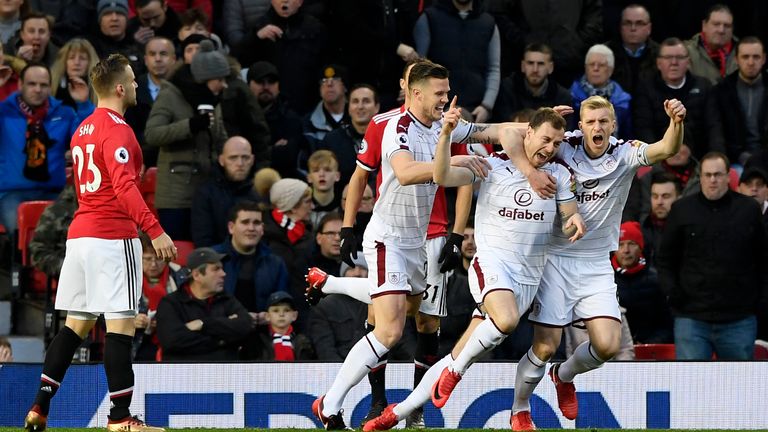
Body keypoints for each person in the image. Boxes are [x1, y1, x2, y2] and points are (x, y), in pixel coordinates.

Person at [310, 59, 507, 430]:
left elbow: (490, 130)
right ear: (414, 92)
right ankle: (330, 404)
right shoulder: (393, 126)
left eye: (447, 92)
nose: (446, 99)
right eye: (440, 93)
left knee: (412, 307)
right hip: (388, 239)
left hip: (417, 243)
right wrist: (349, 226)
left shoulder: (442, 126)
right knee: (389, 330)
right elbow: (401, 172)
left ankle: (331, 284)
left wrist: (537, 127)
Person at [361, 107, 586, 431]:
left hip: (529, 277)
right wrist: (445, 137)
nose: (550, 148)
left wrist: (573, 220)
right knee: (506, 321)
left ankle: (395, 414)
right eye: (546, 139)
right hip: (492, 265)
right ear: (528, 134)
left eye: (557, 143)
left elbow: (567, 214)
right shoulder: (491, 166)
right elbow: (441, 176)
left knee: (461, 352)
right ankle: (466, 378)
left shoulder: (560, 175)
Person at [503, 95, 685, 430]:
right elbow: (513, 140)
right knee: (545, 346)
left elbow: (665, 149)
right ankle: (519, 408)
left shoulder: (624, 152)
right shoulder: (565, 146)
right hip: (555, 258)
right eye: (590, 122)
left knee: (607, 345)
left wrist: (676, 122)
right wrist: (538, 128)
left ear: (613, 124)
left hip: (597, 262)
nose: (597, 127)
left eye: (603, 121)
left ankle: (564, 375)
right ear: (581, 126)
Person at [23, 53, 176, 432]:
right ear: (121, 88)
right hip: (111, 237)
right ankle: (121, 419)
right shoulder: (119, 130)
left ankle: (39, 408)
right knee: (121, 328)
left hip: (80, 238)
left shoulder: (82, 129)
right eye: (135, 81)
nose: (139, 86)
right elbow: (124, 186)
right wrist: (153, 230)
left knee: (75, 326)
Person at [657, 152, 768, 360]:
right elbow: (665, 259)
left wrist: (760, 302)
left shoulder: (749, 210)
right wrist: (673, 293)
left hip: (739, 318)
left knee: (740, 387)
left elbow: (762, 259)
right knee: (691, 386)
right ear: (700, 177)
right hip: (691, 318)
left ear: (729, 176)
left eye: (718, 174)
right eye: (707, 175)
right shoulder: (681, 210)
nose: (712, 180)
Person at [0, 63, 82, 233]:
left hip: (54, 193)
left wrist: (82, 105)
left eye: (43, 85)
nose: (38, 89)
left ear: (50, 87)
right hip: (12, 194)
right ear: (20, 85)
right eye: (32, 84)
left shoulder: (64, 113)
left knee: (73, 232)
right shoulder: (4, 112)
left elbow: (87, 140)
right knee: (19, 233)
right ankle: (19, 260)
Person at [155, 247, 252, 361]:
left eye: (222, 269)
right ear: (196, 275)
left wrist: (203, 324)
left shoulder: (226, 299)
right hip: (183, 372)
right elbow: (172, 340)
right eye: (216, 269)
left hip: (224, 372)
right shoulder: (171, 303)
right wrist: (222, 340)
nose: (223, 274)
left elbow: (245, 326)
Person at [414, 0, 500, 123]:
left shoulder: (488, 22)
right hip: (437, 109)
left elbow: (493, 68)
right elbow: (419, 65)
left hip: (476, 111)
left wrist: (487, 106)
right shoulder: (429, 17)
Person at [212, 200, 289, 330]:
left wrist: (271, 315)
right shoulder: (212, 259)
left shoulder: (276, 263)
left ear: (262, 229)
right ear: (231, 227)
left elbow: (284, 304)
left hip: (262, 334)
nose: (251, 228)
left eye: (256, 223)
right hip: (222, 332)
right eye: (245, 222)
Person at [633, 37, 711, 159]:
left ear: (688, 62)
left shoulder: (704, 86)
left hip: (697, 157)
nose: (674, 62)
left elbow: (713, 127)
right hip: (658, 157)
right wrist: (662, 152)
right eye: (668, 58)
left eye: (679, 57)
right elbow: (643, 127)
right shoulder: (646, 87)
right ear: (659, 63)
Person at [707, 36, 768, 167]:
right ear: (736, 59)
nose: (751, 62)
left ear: (763, 59)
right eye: (745, 57)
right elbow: (717, 132)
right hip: (735, 160)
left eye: (756, 57)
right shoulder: (721, 90)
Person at [191, 136, 259, 247]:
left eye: (245, 158)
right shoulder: (206, 193)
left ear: (252, 160)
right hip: (219, 259)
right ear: (221, 160)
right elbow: (203, 239)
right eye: (233, 158)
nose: (240, 163)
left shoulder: (261, 192)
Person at [611, 221, 672, 344]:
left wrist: (650, 343)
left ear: (640, 247)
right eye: (620, 245)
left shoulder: (655, 281)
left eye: (631, 244)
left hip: (649, 352)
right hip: (613, 350)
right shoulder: (604, 279)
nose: (626, 250)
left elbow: (667, 325)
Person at [246, 60, 307, 179]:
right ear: (248, 85)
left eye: (271, 82)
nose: (266, 87)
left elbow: (289, 157)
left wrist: (257, 152)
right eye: (260, 82)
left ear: (278, 86)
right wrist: (274, 150)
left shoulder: (291, 119)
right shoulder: (241, 116)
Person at [124, 36, 176, 167]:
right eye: (153, 54)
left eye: (163, 54)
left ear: (174, 59)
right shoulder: (131, 90)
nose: (158, 59)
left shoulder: (185, 90)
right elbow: (127, 131)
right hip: (139, 160)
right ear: (146, 60)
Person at [133, 232, 185, 361]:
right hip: (137, 345)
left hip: (175, 342)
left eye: (158, 258)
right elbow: (104, 316)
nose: (153, 265)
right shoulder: (127, 279)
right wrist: (130, 321)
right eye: (147, 258)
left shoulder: (181, 277)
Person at [318, 83, 380, 187]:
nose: (360, 106)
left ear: (377, 107)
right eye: (355, 101)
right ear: (349, 108)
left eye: (366, 101)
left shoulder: (388, 137)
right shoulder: (331, 140)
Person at [493, 43, 571, 123]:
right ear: (523, 66)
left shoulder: (562, 97)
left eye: (540, 64)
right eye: (530, 63)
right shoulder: (507, 89)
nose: (535, 69)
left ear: (550, 67)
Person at [569, 44, 632, 137]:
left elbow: (628, 135)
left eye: (601, 65)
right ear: (586, 68)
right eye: (591, 64)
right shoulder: (571, 96)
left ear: (610, 70)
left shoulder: (622, 100)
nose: (595, 68)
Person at [605, 4, 658, 96]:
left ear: (649, 28)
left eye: (639, 23)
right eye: (627, 23)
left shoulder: (661, 55)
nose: (633, 28)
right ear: (621, 27)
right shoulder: (605, 54)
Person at [247, 291, 315, 360]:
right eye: (276, 310)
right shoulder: (258, 342)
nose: (281, 314)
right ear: (267, 316)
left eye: (286, 310)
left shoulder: (303, 341)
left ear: (294, 315)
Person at [684, 4, 737, 85]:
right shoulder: (686, 52)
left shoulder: (744, 51)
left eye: (727, 26)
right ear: (704, 25)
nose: (721, 30)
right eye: (716, 24)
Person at [303, 64, 349, 149]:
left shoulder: (357, 119)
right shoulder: (308, 123)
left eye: (335, 79)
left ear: (345, 87)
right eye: (324, 81)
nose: (329, 84)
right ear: (320, 90)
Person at [49, 38, 99, 110]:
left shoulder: (98, 90)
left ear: (90, 62)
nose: (76, 62)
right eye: (71, 57)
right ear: (64, 62)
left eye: (82, 58)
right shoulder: (52, 86)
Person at [306, 150, 341, 229]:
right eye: (316, 171)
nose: (321, 174)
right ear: (309, 177)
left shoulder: (345, 207)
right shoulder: (300, 208)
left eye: (327, 170)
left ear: (337, 176)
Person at [311, 212, 342, 276]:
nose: (337, 238)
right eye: (330, 233)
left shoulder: (358, 265)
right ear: (319, 238)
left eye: (342, 233)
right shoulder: (306, 266)